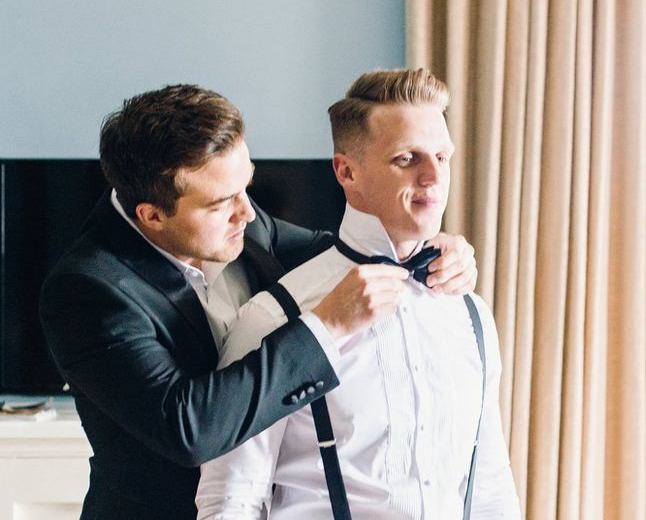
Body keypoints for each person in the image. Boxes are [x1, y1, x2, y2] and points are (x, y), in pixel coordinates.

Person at [39, 84, 478, 520]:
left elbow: (341, 252)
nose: (248, 214)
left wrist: (439, 248)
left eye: (245, 186)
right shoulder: (87, 289)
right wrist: (326, 328)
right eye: (220, 204)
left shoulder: (239, 222)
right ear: (152, 215)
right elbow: (187, 428)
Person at [197, 69, 520, 519]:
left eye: (442, 157)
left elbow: (489, 483)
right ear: (347, 171)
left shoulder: (469, 311)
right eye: (407, 159)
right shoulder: (275, 318)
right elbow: (230, 502)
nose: (433, 178)